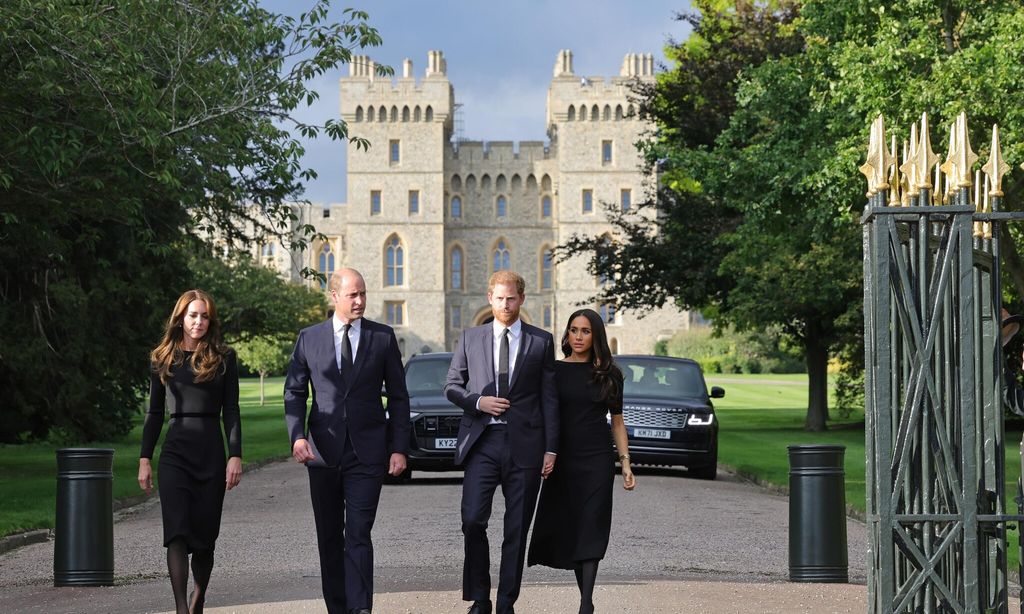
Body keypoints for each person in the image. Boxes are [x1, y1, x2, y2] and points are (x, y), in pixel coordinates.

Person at [284, 268, 410, 614]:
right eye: (353, 294)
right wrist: (296, 437)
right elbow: (294, 392)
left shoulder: (382, 338)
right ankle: (338, 608)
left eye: (363, 294)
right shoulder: (309, 338)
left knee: (358, 533)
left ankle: (360, 609)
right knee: (329, 537)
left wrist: (398, 447)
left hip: (368, 453)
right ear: (334, 296)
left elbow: (399, 397)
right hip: (322, 454)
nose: (359, 301)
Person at [445, 270, 559, 614]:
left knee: (517, 527)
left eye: (511, 298)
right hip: (482, 441)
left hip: (526, 445)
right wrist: (478, 401)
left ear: (521, 299)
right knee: (472, 520)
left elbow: (549, 398)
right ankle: (480, 598)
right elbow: (452, 385)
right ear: (489, 298)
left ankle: (506, 602)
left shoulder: (541, 341)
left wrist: (551, 447)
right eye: (499, 298)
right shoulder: (470, 338)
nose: (505, 304)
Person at [138, 289, 242, 614]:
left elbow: (233, 410)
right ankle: (182, 608)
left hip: (210, 452)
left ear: (211, 320)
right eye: (192, 315)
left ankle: (198, 598)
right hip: (175, 455)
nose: (198, 321)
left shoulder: (224, 358)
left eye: (204, 315)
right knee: (177, 533)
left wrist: (235, 454)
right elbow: (154, 414)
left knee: (205, 538)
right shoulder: (162, 358)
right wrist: (145, 458)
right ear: (180, 318)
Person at [527, 308, 636, 614]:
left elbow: (617, 421)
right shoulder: (555, 371)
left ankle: (586, 603)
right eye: (574, 330)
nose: (578, 336)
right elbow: (544, 415)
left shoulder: (610, 374)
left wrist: (625, 462)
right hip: (563, 459)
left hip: (597, 459)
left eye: (585, 331)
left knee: (591, 524)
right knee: (573, 527)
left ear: (596, 335)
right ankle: (586, 598)